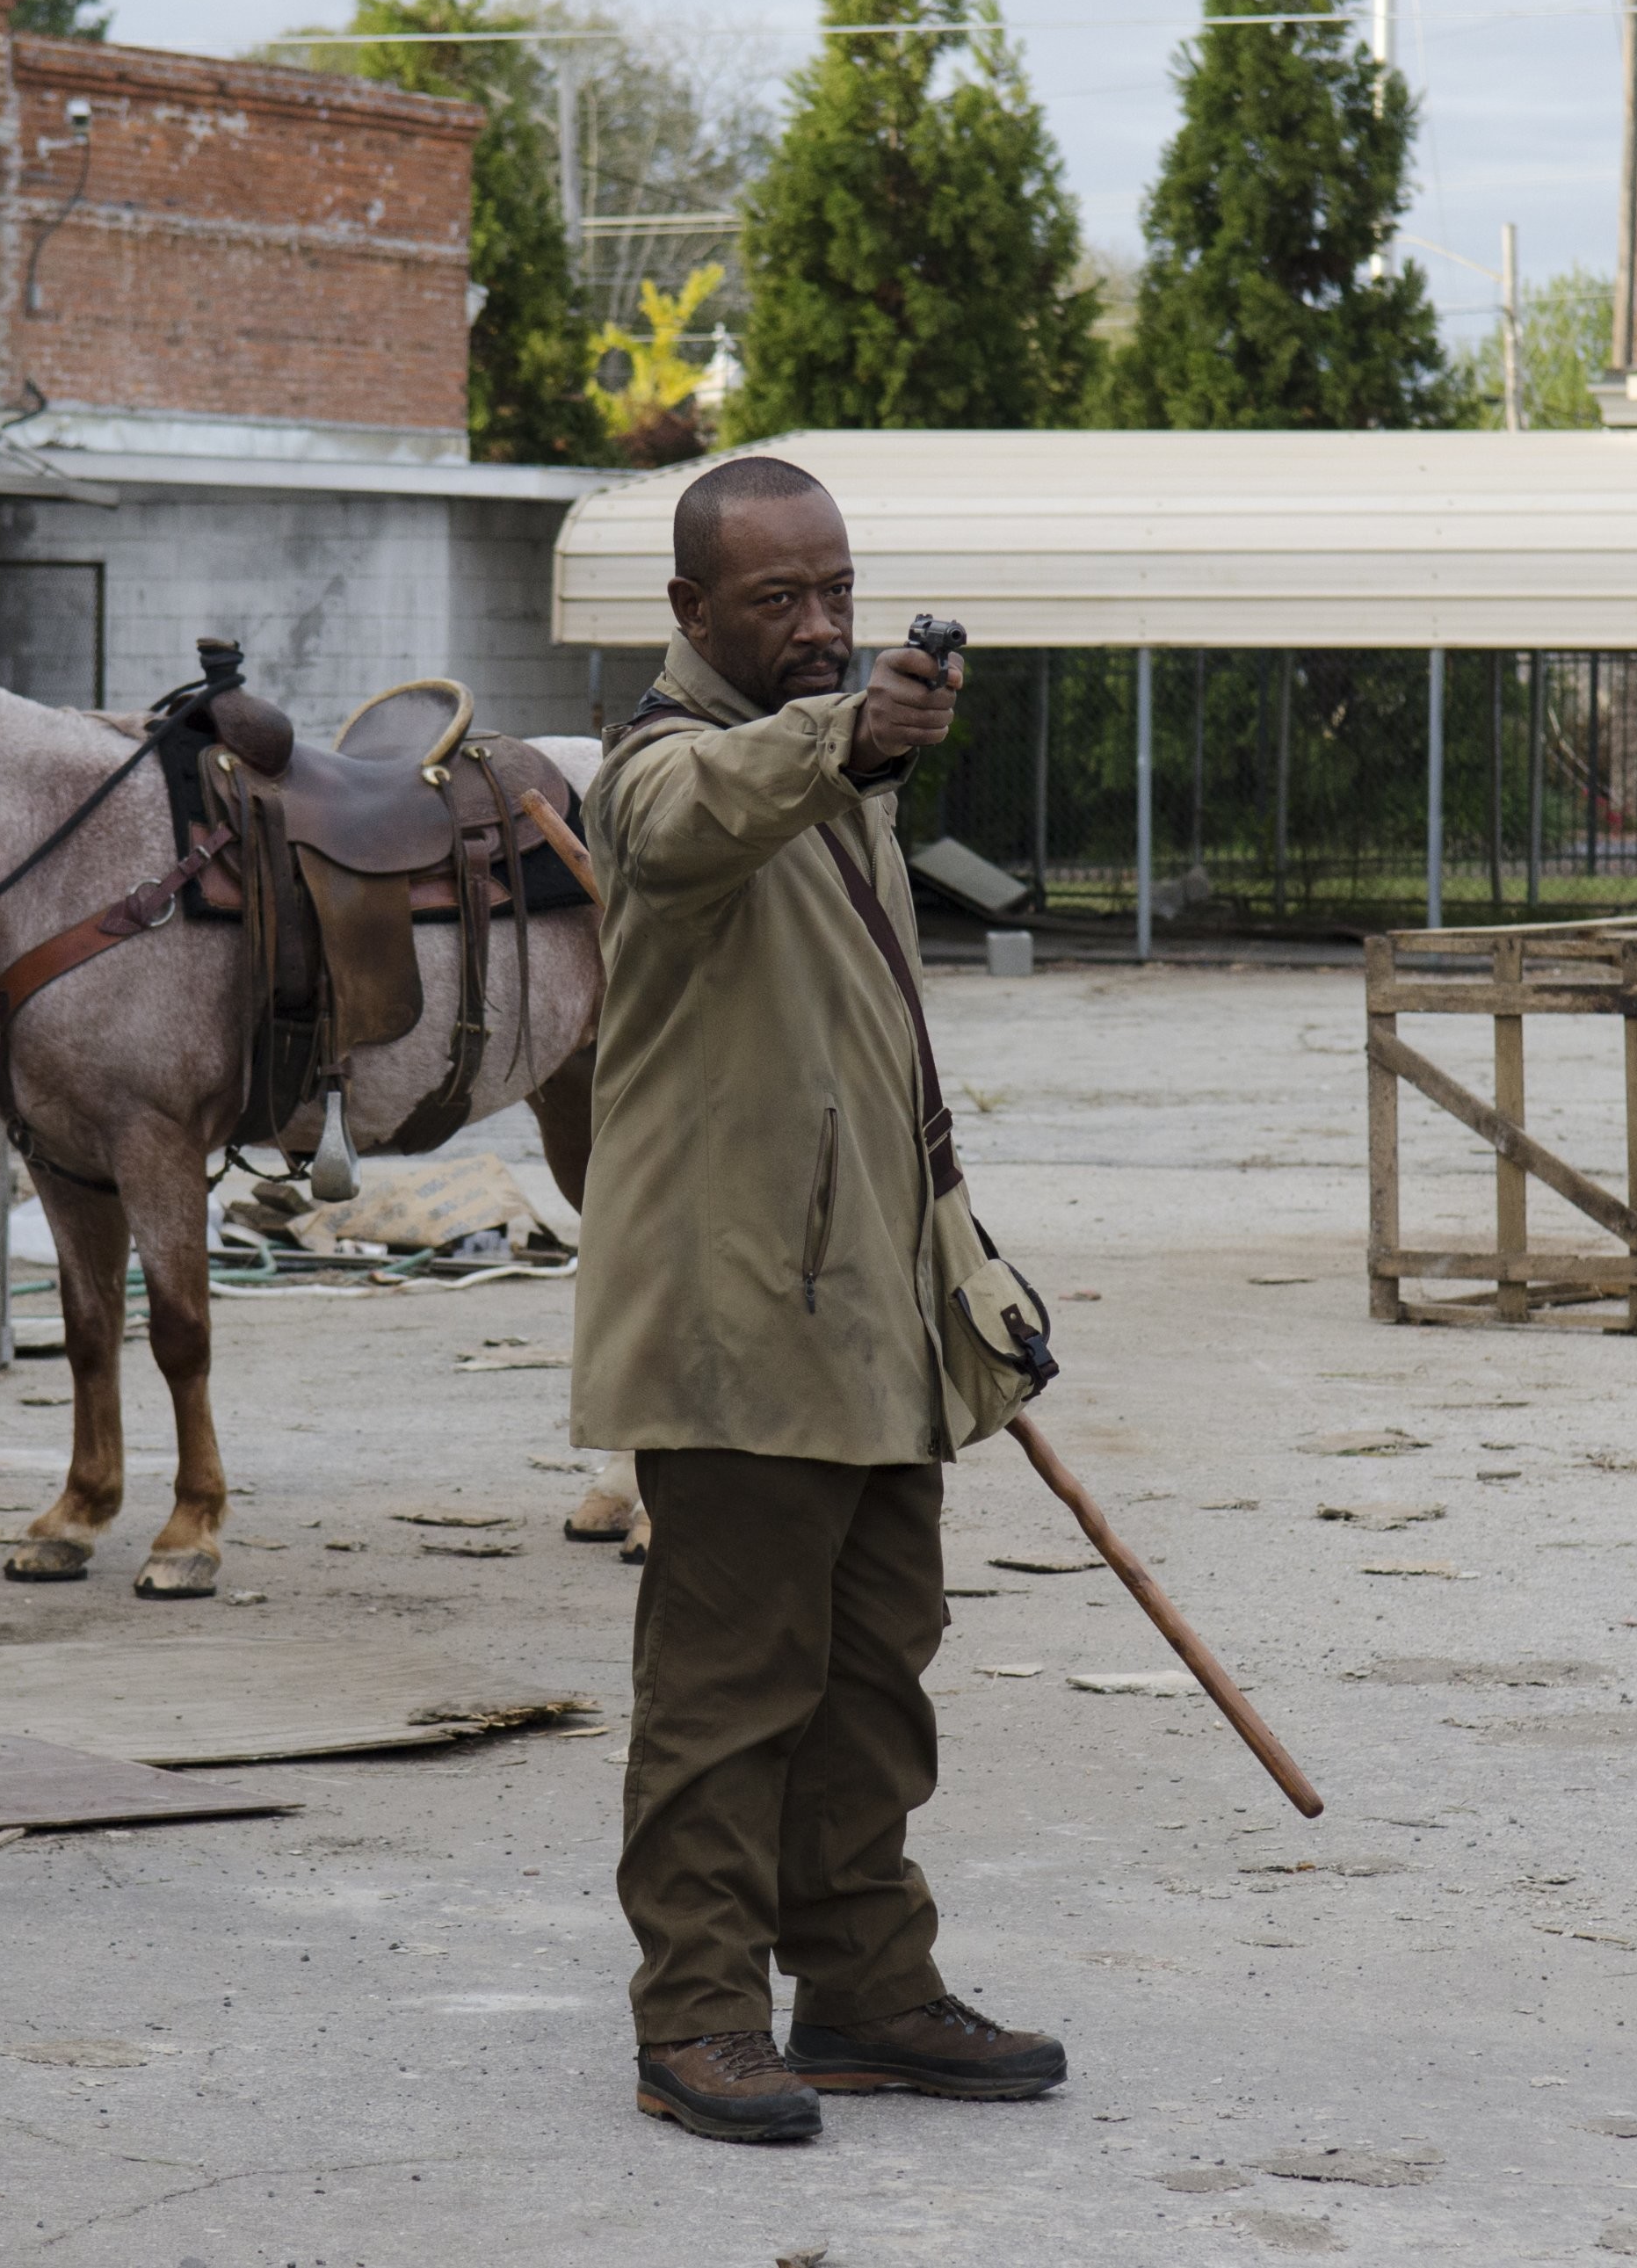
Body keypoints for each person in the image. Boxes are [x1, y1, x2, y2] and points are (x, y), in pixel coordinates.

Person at [569, 454, 1068, 2144]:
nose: (822, 627)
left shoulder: (840, 777)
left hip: (872, 1319)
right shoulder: (663, 771)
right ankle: (697, 2017)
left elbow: (875, 1067)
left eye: (837, 593)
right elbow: (688, 812)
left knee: (875, 1672)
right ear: (689, 613)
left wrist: (965, 1278)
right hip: (733, 1324)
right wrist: (845, 733)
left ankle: (864, 1988)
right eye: (778, 601)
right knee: (728, 1685)